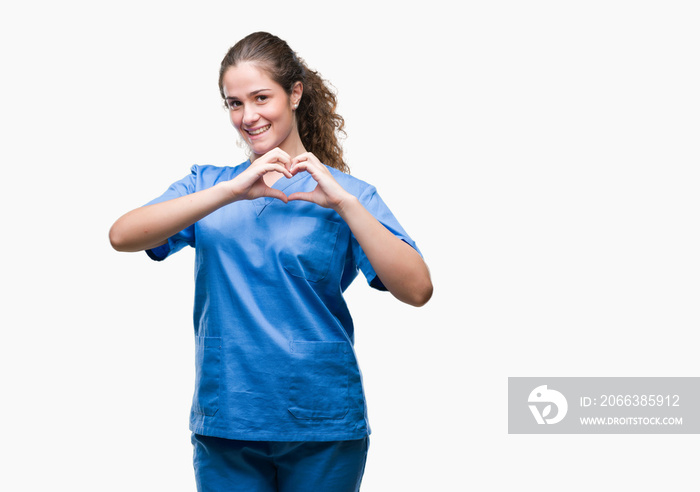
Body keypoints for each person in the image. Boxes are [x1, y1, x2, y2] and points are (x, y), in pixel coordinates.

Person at [109, 31, 432, 492]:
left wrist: (343, 204)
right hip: (228, 419)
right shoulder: (208, 185)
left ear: (294, 93)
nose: (248, 116)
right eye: (234, 103)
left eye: (261, 97)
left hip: (322, 421)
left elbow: (417, 289)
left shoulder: (347, 194)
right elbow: (122, 235)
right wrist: (231, 190)